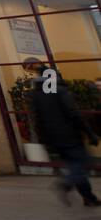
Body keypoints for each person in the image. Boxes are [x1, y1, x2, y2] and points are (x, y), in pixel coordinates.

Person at [27, 60, 100, 206]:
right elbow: (73, 114)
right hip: (69, 134)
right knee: (82, 163)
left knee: (75, 165)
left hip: (53, 138)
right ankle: (67, 183)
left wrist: (44, 140)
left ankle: (88, 198)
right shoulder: (60, 91)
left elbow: (37, 119)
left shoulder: (36, 96)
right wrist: (89, 133)